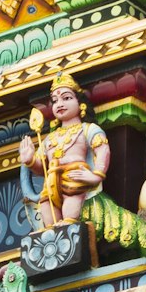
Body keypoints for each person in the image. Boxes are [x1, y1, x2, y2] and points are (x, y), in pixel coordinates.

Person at [19, 80, 109, 229]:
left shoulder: (87, 129)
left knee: (70, 213)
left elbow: (102, 150)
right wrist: (30, 161)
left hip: (75, 176)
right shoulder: (50, 138)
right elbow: (42, 168)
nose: (60, 104)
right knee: (47, 211)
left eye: (66, 98)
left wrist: (96, 175)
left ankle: (69, 229)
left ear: (81, 104)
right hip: (51, 180)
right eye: (55, 101)